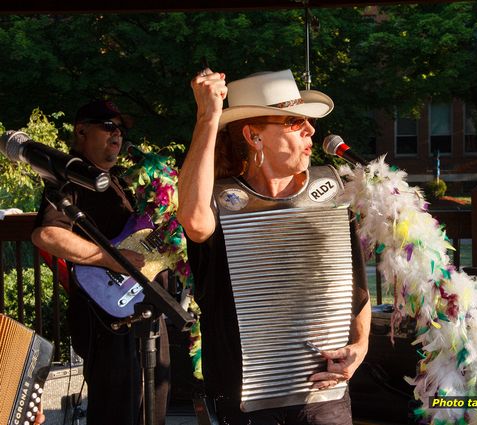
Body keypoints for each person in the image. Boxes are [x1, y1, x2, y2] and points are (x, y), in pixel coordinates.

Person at [177, 68, 371, 425]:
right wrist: (208, 117)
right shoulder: (219, 199)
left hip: (324, 396)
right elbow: (193, 219)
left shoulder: (331, 190)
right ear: (254, 135)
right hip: (247, 399)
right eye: (294, 121)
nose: (311, 129)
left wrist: (360, 346)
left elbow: (355, 286)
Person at [31, 100, 171, 425]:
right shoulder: (69, 179)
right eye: (109, 126)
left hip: (144, 307)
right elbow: (47, 236)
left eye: (121, 129)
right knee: (116, 411)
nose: (118, 135)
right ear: (82, 130)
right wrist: (114, 261)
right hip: (106, 315)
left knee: (152, 409)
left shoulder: (119, 180)